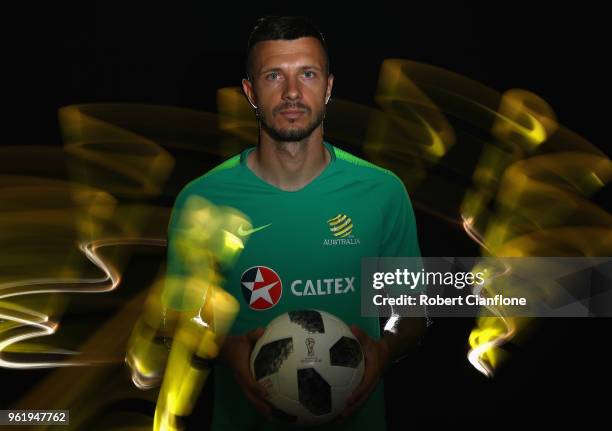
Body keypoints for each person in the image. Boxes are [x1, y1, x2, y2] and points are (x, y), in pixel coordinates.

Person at [166, 15, 426, 431]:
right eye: (274, 76)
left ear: (329, 87)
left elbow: (408, 312)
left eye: (307, 74)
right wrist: (227, 348)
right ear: (251, 92)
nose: (291, 92)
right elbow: (180, 318)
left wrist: (383, 348)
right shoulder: (202, 199)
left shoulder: (381, 193)